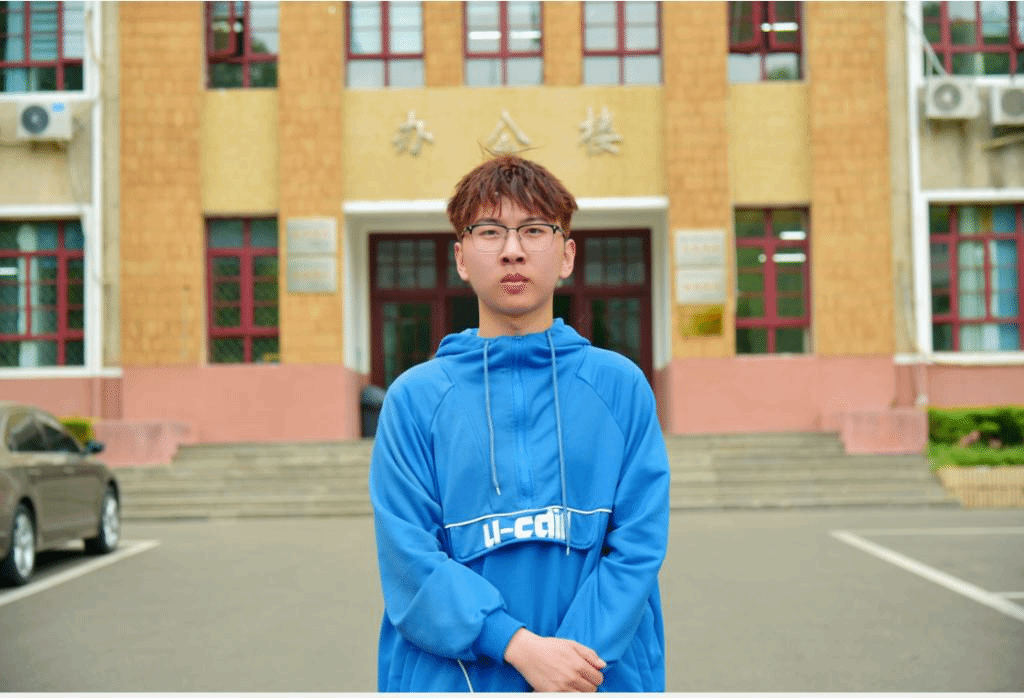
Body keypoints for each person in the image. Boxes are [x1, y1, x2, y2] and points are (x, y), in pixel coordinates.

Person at [369, 154, 670, 692]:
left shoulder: (619, 388)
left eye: (534, 229)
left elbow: (637, 547)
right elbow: (409, 560)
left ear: (567, 254)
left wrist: (568, 666)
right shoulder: (414, 400)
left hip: (596, 678)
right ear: (461, 258)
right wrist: (519, 647)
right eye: (490, 231)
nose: (512, 250)